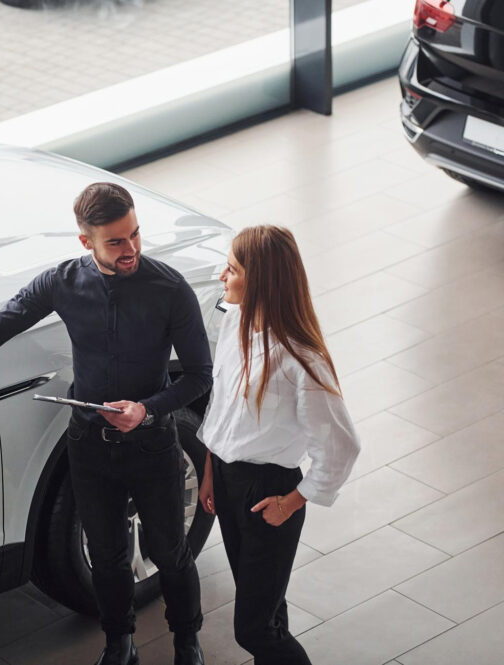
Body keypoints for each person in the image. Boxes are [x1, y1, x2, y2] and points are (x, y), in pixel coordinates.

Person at [0, 182, 212, 665]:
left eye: (135, 234)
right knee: (107, 557)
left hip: (152, 445)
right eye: (116, 241)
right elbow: (1, 324)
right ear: (86, 242)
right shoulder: (61, 282)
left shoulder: (170, 289)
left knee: (170, 552)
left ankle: (187, 641)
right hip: (90, 446)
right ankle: (119, 644)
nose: (131, 249)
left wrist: (146, 410)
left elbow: (201, 376)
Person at [197, 225, 361, 665]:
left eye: (231, 269)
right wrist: (210, 468)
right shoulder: (234, 322)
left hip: (267, 493)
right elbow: (220, 403)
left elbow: (342, 445)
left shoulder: (300, 358)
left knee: (252, 629)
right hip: (227, 481)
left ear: (260, 280)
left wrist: (291, 503)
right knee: (267, 612)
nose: (221, 276)